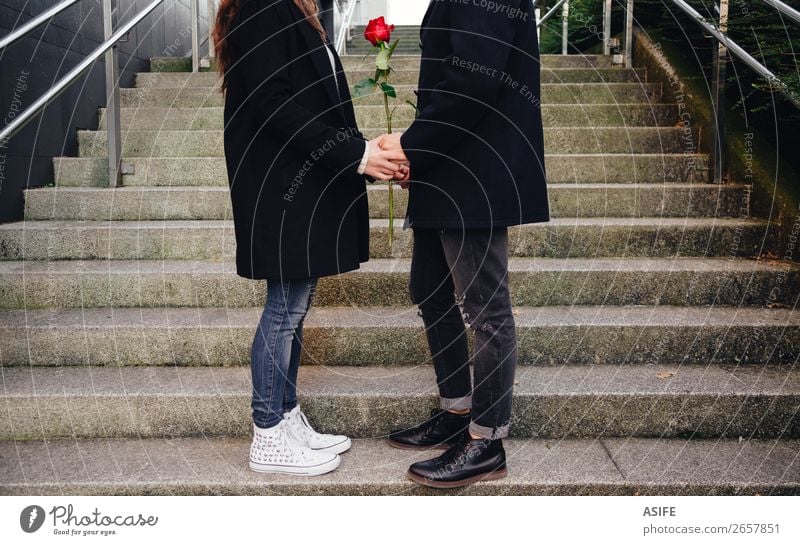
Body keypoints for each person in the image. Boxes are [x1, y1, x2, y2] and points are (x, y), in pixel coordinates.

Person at [213, 0, 409, 476]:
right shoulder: (265, 7)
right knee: (284, 309)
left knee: (294, 308)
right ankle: (267, 431)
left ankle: (284, 415)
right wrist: (358, 155)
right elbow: (276, 104)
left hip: (297, 185)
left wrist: (363, 156)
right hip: (279, 187)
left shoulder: (294, 11)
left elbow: (321, 104)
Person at [377, 0, 550, 487]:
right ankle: (457, 412)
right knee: (431, 292)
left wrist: (413, 143)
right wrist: (420, 151)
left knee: (486, 310)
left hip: (475, 174)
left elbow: (475, 82)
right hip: (447, 170)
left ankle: (487, 441)